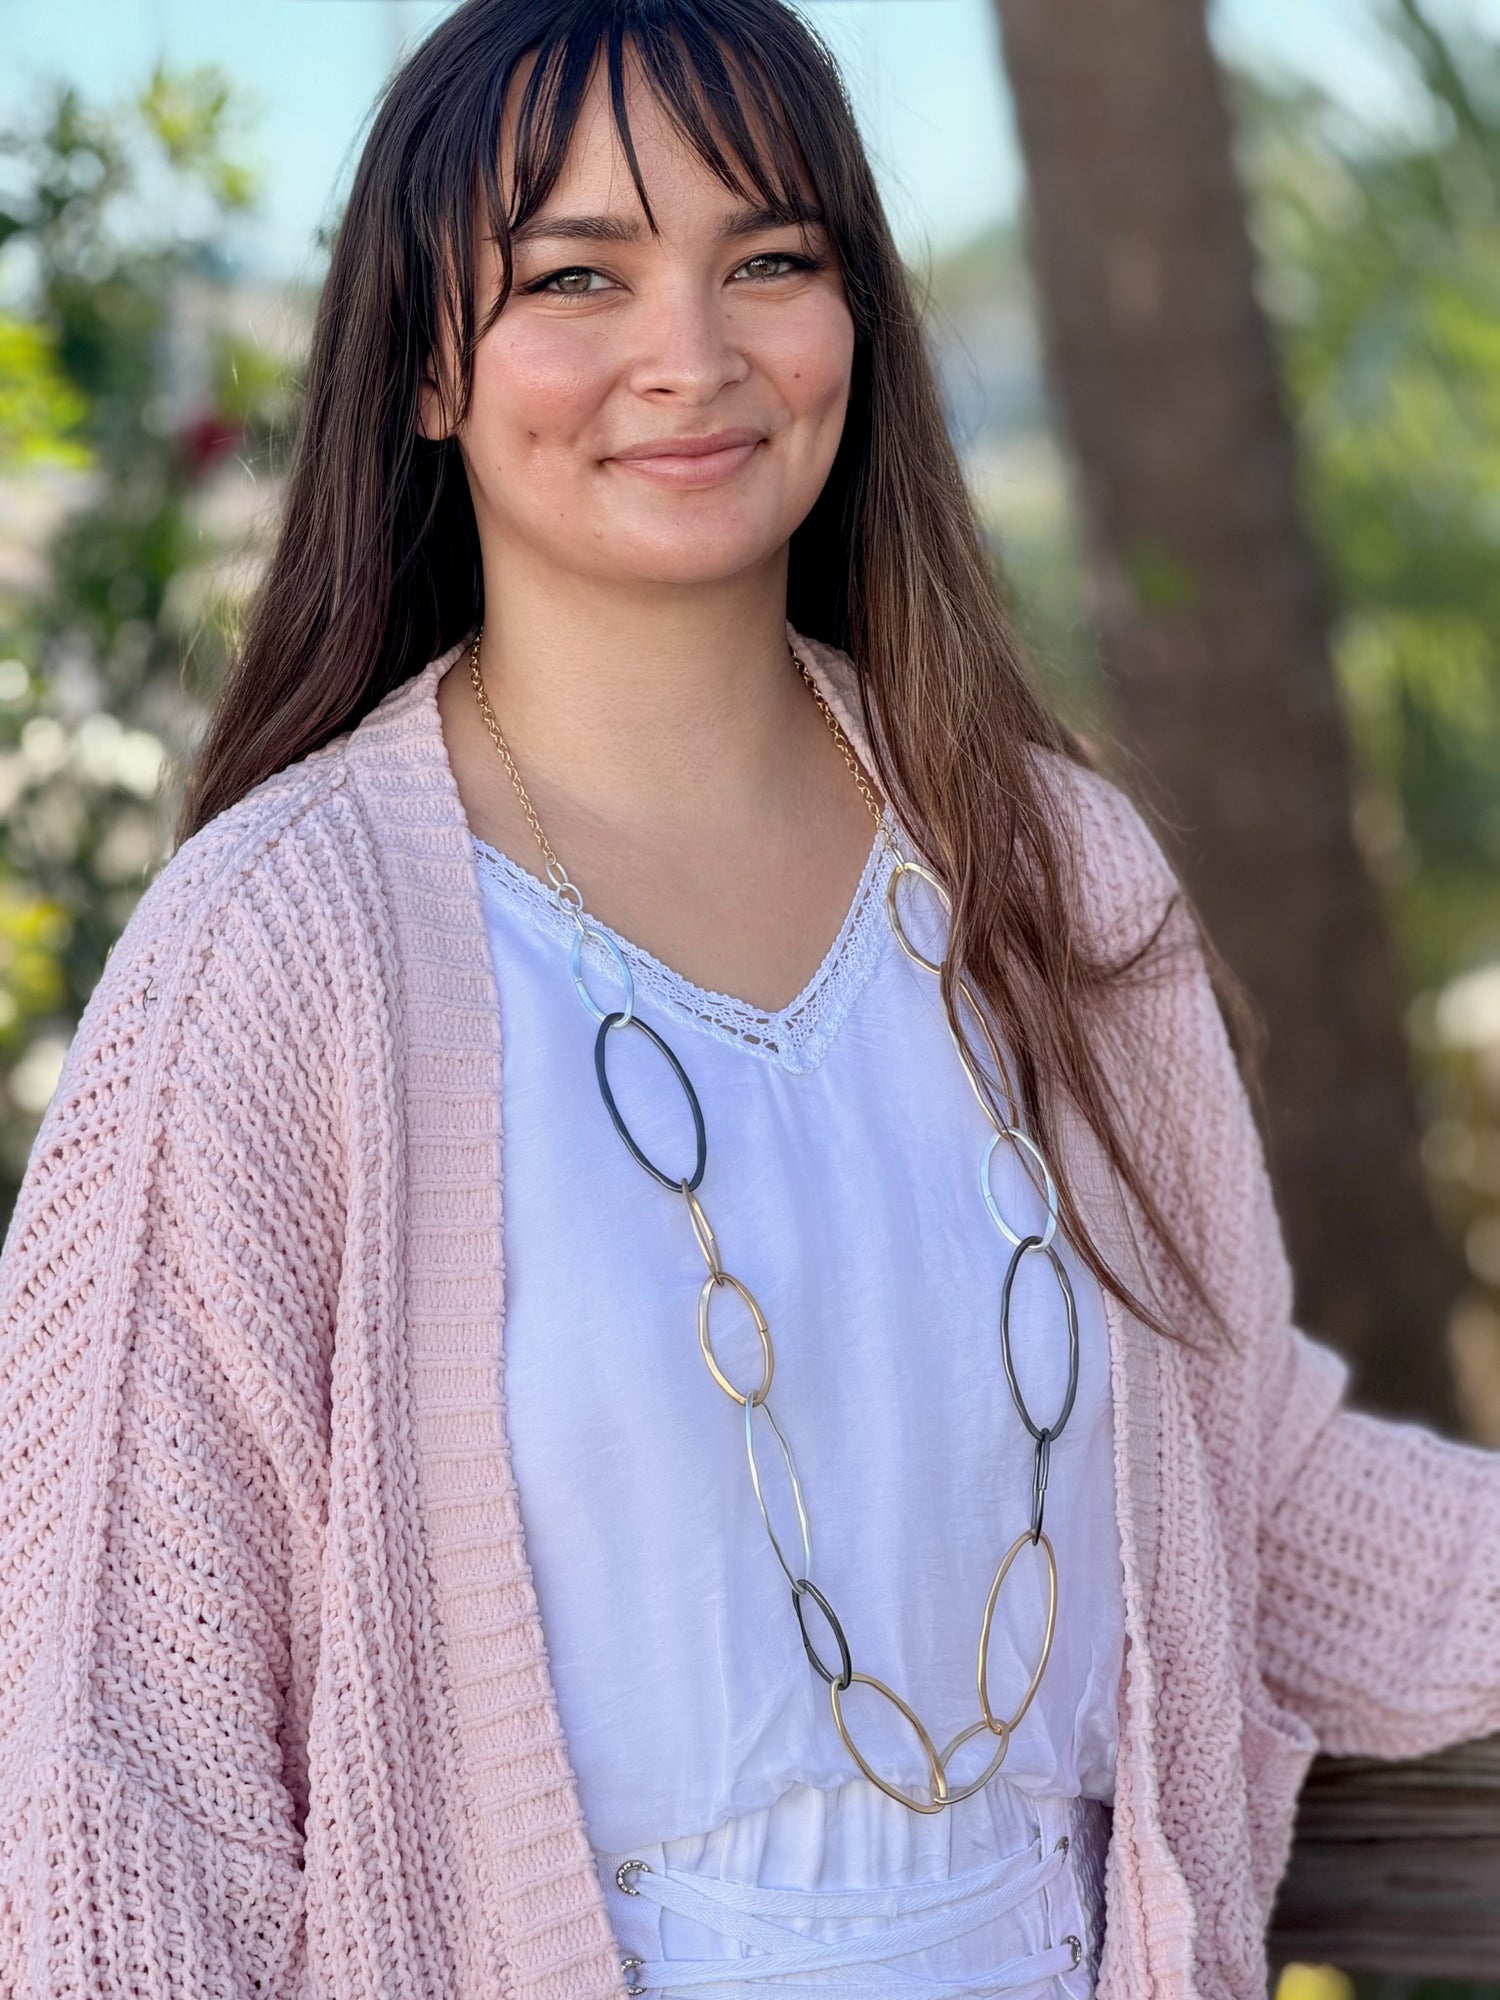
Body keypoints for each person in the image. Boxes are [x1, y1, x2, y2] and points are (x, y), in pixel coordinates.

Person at [1, 2, 1497, 1996]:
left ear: (856, 318)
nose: (690, 355)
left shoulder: (1047, 866)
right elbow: (131, 1766)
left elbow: (1249, 1486)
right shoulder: (280, 953)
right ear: (426, 366)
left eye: (769, 259)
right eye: (575, 276)